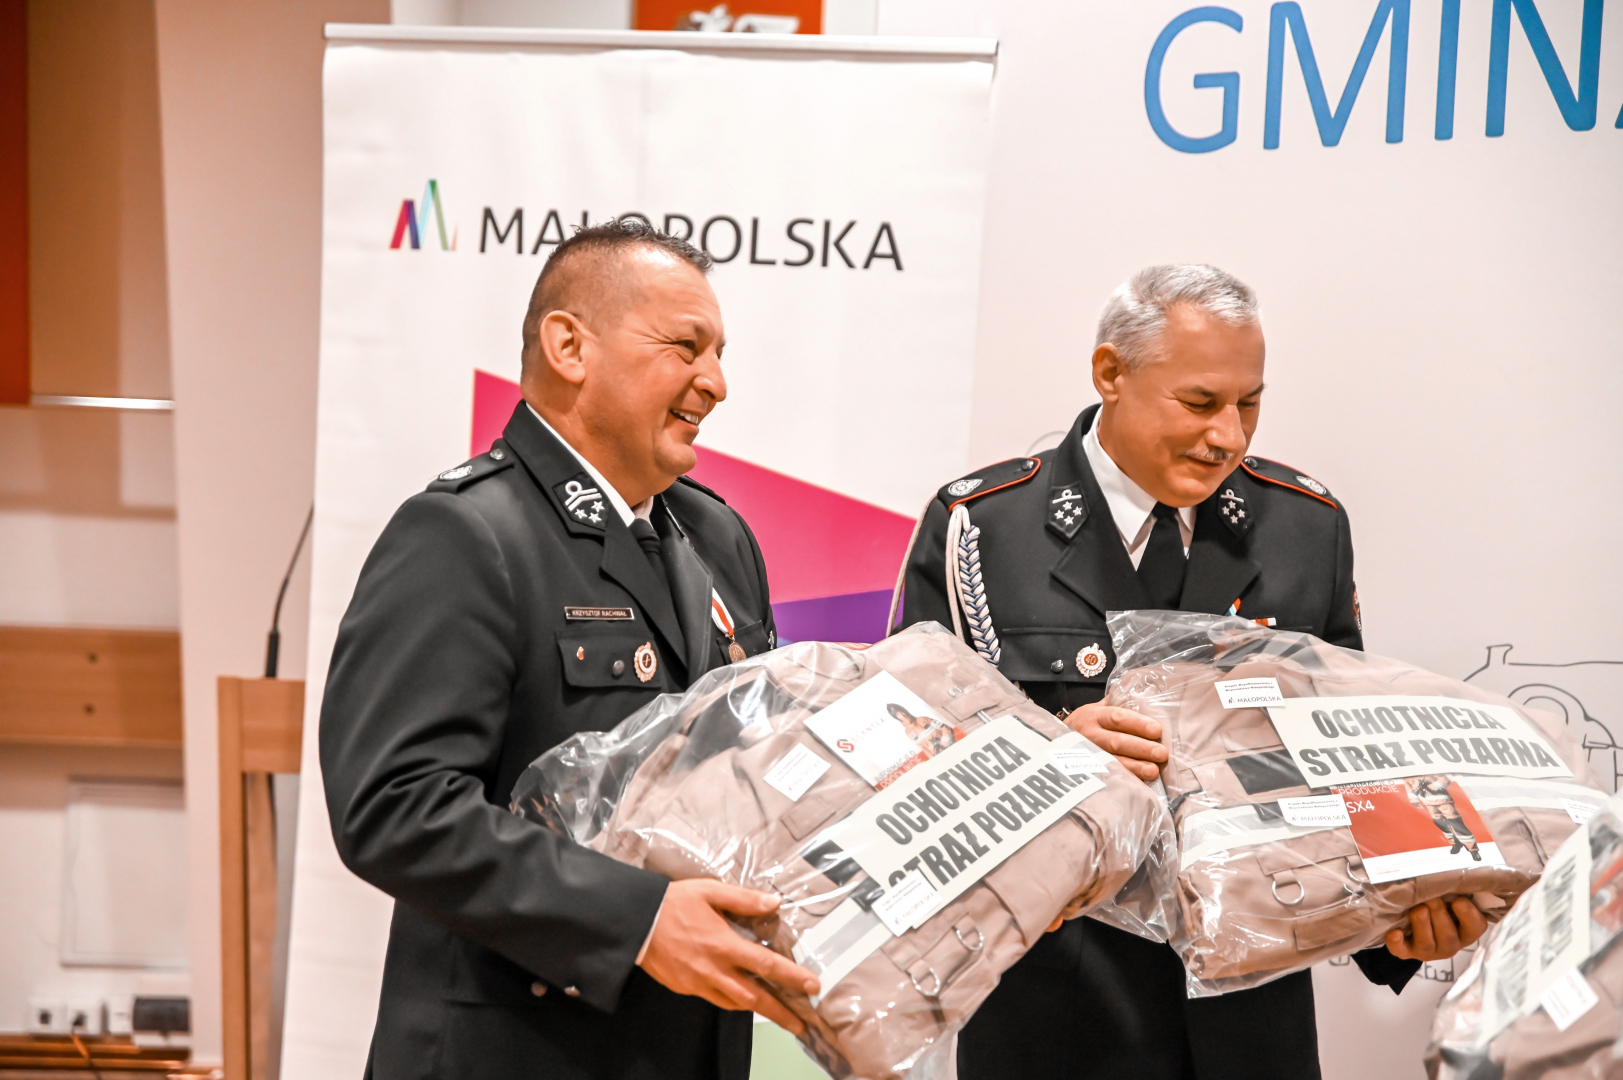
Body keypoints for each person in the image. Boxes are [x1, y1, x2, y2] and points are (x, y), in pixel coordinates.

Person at [892, 264, 1487, 1080]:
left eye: (1249, 403)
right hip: (1052, 1023)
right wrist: (1046, 758)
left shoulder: (1303, 527)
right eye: (1200, 403)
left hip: (1254, 1027)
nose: (1229, 437)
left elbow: (1348, 755)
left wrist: (1406, 914)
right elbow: (906, 770)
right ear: (1110, 373)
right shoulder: (982, 527)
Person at [320, 218, 820, 1080]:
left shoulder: (719, 538)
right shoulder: (464, 533)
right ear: (569, 347)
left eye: (718, 353)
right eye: (685, 347)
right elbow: (393, 806)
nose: (715, 382)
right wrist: (638, 921)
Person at [1407, 776, 1483, 859]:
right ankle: (1456, 843)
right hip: (1427, 803)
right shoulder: (1407, 775)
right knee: (1442, 824)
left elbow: (1444, 779)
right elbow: (1408, 786)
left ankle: (1473, 850)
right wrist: (1413, 799)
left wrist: (1432, 787)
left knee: (1456, 823)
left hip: (1443, 800)